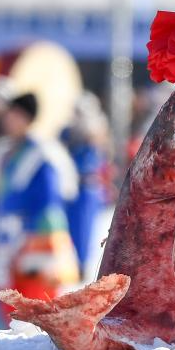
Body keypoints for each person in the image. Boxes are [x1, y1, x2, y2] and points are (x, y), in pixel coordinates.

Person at [0, 92, 80, 326]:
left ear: (27, 118)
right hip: (5, 229)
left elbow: (49, 196)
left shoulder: (42, 153)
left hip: (37, 231)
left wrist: (29, 224)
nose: (9, 120)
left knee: (34, 292)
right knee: (0, 288)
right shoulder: (5, 150)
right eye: (8, 115)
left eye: (15, 115)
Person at [62, 92, 111, 273]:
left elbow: (103, 160)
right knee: (68, 228)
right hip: (71, 186)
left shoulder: (97, 131)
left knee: (85, 230)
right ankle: (71, 263)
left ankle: (82, 264)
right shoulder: (67, 132)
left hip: (88, 187)